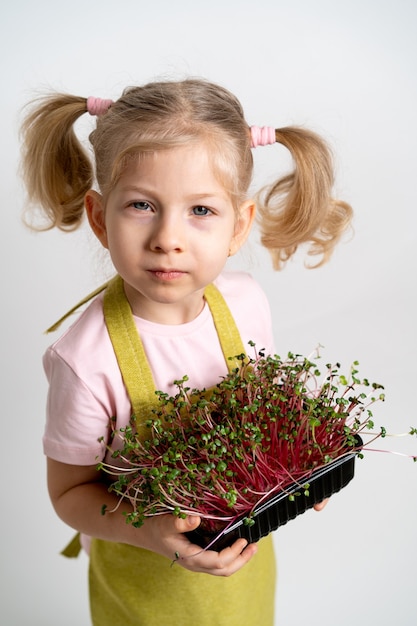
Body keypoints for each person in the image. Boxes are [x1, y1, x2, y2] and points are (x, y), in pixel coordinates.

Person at [20, 78, 352, 625]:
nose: (167, 237)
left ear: (238, 225)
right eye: (142, 205)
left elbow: (263, 414)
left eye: (200, 210)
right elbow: (70, 494)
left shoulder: (245, 303)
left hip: (244, 574)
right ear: (101, 218)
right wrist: (151, 530)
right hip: (146, 591)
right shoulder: (86, 360)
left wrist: (304, 465)